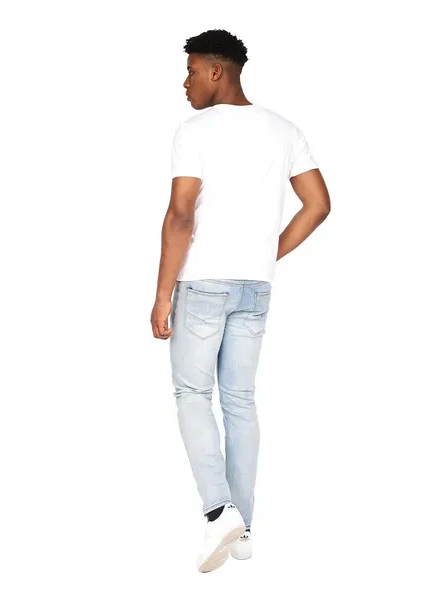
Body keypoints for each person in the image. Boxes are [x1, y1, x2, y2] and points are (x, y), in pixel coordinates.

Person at [150, 29, 331, 573]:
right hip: (255, 286)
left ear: (215, 70)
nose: (185, 83)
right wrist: (265, 254)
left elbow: (181, 214)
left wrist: (162, 295)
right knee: (240, 401)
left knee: (191, 392)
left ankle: (217, 511)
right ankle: (243, 527)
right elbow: (318, 204)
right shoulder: (284, 129)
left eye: (190, 71)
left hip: (202, 283)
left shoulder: (195, 131)